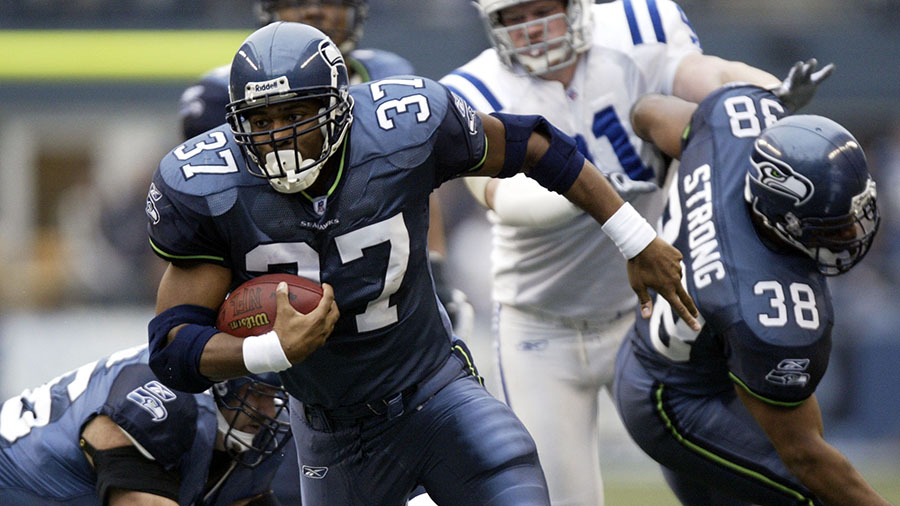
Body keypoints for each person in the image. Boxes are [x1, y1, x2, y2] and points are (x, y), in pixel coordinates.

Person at [145, 22, 698, 505]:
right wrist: (272, 351)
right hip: (328, 432)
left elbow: (535, 146)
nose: (280, 138)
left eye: (296, 114)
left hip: (436, 394)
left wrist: (635, 239)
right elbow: (172, 349)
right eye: (262, 120)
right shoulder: (209, 188)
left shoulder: (402, 129)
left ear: (338, 106)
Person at [438, 1, 833, 503]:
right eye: (513, 18)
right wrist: (590, 190)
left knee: (721, 482)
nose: (532, 28)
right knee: (562, 499)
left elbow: (710, 78)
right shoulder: (473, 89)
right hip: (541, 326)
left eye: (542, 9)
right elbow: (501, 196)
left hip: (647, 314)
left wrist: (763, 94)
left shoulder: (636, 25)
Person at [614, 85, 887, 505]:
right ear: (784, 219)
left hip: (681, 359)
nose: (852, 233)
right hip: (676, 400)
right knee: (820, 494)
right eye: (833, 226)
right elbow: (806, 456)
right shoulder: (764, 310)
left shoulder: (729, 130)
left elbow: (645, 111)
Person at [178, 0, 472, 340]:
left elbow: (415, 184)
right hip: (272, 283)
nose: (313, 12)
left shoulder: (390, 77)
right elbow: (208, 218)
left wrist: (436, 271)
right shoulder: (218, 97)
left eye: (330, 0)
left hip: (376, 293)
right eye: (296, 1)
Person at [0, 344, 292, 506]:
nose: (268, 411)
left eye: (274, 396)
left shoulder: (253, 433)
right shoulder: (165, 386)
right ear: (222, 382)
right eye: (257, 394)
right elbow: (137, 500)